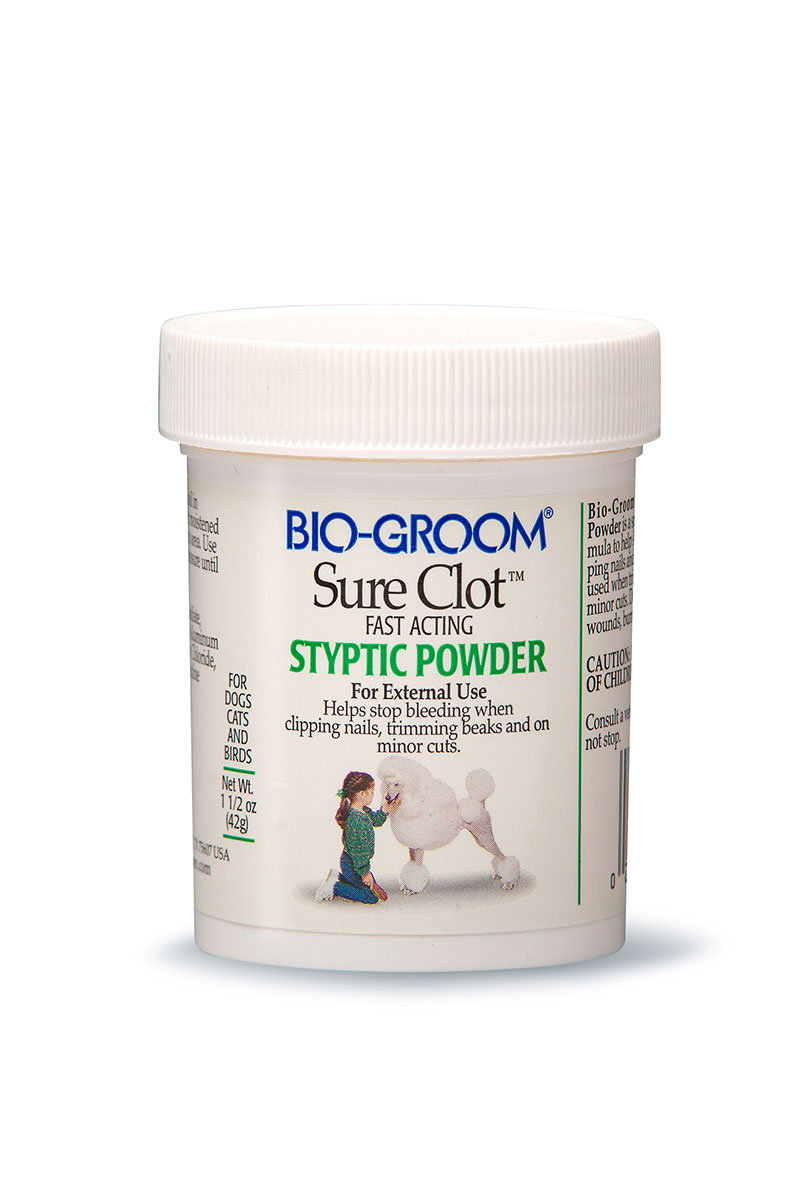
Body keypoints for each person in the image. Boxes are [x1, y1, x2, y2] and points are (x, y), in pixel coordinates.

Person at [329, 771, 396, 903]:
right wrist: (365, 873)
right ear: (361, 794)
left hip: (358, 863)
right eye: (371, 792)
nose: (373, 795)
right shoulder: (356, 821)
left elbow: (376, 820)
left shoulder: (364, 812)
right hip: (353, 864)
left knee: (372, 889)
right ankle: (334, 887)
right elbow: (358, 853)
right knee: (370, 898)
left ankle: (339, 878)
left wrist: (386, 807)